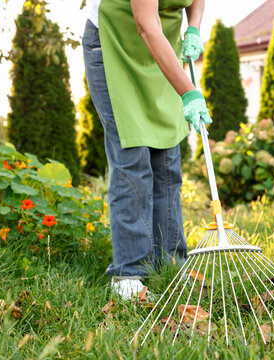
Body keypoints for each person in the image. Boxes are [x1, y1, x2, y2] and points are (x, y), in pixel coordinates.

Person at [82, 0, 212, 300]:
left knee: (167, 160)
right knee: (133, 159)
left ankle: (169, 264)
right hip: (117, 43)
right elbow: (145, 25)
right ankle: (129, 275)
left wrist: (193, 26)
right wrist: (189, 91)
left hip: (162, 46)